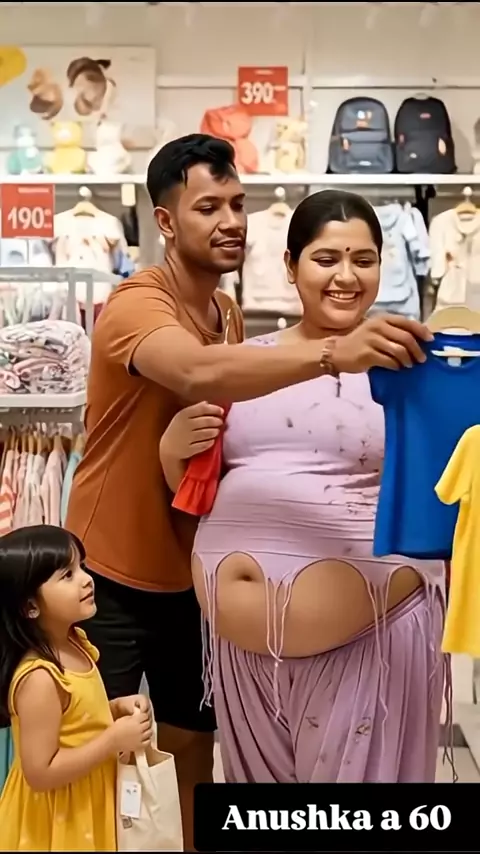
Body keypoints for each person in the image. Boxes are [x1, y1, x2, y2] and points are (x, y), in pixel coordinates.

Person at [65, 132, 432, 844]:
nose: (231, 221)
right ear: (166, 220)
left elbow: (214, 463)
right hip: (115, 570)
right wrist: (331, 353)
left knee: (189, 750)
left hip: (192, 582)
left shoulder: (227, 316)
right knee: (99, 755)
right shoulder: (136, 305)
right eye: (208, 207)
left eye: (238, 204)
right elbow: (198, 374)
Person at [159, 189, 447, 784]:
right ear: (290, 266)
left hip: (372, 640)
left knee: (353, 824)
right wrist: (170, 451)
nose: (346, 276)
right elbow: (196, 495)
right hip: (242, 660)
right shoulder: (244, 363)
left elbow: (448, 494)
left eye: (363, 260)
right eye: (326, 259)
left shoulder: (414, 368)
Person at [0, 525, 152, 851]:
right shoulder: (40, 678)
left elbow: (72, 722)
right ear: (30, 606)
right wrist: (112, 740)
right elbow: (40, 772)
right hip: (57, 818)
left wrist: (113, 710)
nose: (86, 579)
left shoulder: (76, 643)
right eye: (67, 575)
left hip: (86, 800)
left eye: (81, 566)